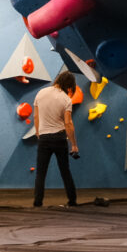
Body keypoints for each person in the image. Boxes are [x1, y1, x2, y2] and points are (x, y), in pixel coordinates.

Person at [32, 71, 80, 208]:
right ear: (69, 85)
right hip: (59, 138)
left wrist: (38, 133)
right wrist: (74, 145)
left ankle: (37, 202)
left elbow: (36, 117)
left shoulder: (41, 93)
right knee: (65, 171)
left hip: (44, 138)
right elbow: (68, 123)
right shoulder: (66, 99)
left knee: (41, 173)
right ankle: (72, 200)